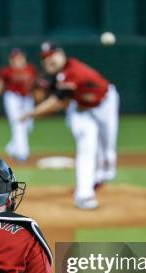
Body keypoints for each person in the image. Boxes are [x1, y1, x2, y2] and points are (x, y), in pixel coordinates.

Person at [20, 42, 120, 210]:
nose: (48, 60)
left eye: (51, 55)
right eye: (45, 58)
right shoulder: (60, 74)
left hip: (106, 104)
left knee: (108, 150)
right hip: (81, 110)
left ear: (61, 54)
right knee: (87, 148)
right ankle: (85, 194)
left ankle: (102, 174)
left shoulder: (73, 72)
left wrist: (30, 114)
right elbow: (58, 94)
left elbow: (56, 104)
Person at [0, 49, 38, 162]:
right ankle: (22, 154)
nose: (18, 60)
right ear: (11, 60)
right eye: (15, 58)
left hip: (27, 98)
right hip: (13, 98)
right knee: (18, 123)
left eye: (20, 58)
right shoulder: (6, 71)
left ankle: (11, 148)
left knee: (28, 126)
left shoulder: (31, 69)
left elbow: (36, 84)